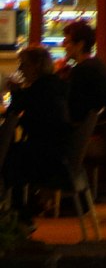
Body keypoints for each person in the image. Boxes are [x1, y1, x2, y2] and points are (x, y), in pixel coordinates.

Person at [2, 45, 70, 231]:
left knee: (10, 156)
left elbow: (13, 113)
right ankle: (18, 210)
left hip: (46, 156)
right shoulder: (55, 85)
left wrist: (15, 92)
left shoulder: (39, 90)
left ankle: (18, 211)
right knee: (13, 153)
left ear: (36, 66)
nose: (20, 70)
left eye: (23, 65)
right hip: (60, 151)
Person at [59, 19, 106, 125]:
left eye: (67, 42)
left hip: (85, 131)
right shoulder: (97, 64)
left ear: (80, 45)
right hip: (103, 126)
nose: (63, 46)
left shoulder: (82, 71)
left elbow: (71, 108)